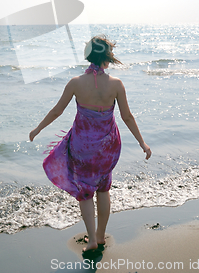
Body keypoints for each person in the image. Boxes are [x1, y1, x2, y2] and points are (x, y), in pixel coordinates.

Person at [29, 35, 151, 252]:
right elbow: (127, 117)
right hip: (108, 146)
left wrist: (38, 128)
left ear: (87, 55)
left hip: (82, 146)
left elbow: (58, 110)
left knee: (85, 192)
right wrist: (142, 143)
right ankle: (101, 236)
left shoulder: (76, 83)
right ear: (107, 57)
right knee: (104, 189)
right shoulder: (116, 84)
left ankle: (92, 240)